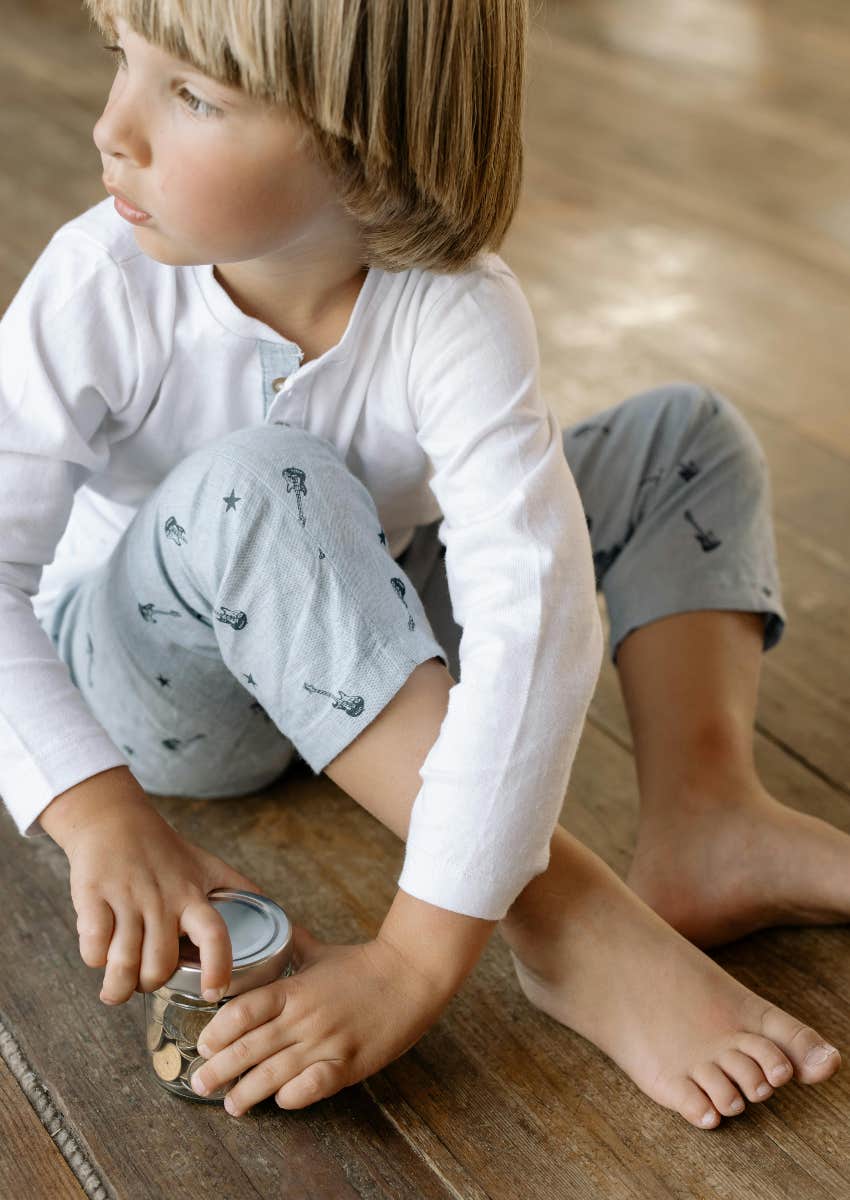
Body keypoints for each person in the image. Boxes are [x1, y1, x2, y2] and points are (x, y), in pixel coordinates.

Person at [0, 0, 844, 1130]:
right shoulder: (100, 281)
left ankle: (707, 812)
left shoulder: (457, 306)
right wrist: (96, 810)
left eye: (191, 95)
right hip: (159, 688)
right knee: (264, 477)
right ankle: (569, 922)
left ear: (365, 146)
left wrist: (410, 961)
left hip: (366, 610)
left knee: (680, 439)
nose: (114, 129)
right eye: (123, 61)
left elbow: (531, 613)